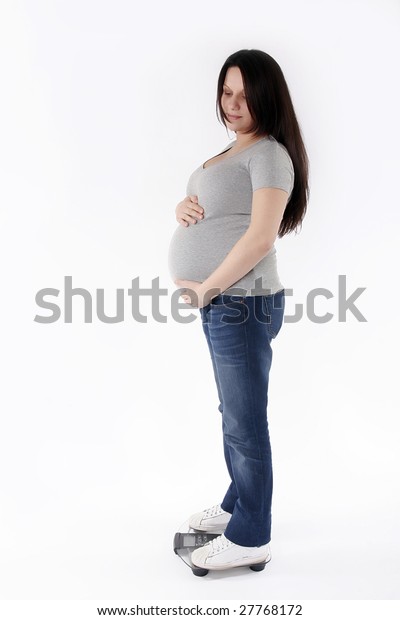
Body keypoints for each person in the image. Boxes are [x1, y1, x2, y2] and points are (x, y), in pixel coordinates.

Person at [168, 49, 309, 571]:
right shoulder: (233, 151)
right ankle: (238, 506)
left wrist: (206, 290)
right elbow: (207, 206)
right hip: (225, 303)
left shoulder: (269, 154)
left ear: (268, 96)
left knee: (246, 423)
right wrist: (181, 208)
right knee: (233, 415)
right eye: (227, 92)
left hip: (241, 303)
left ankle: (252, 536)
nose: (234, 103)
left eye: (246, 94)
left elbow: (260, 237)